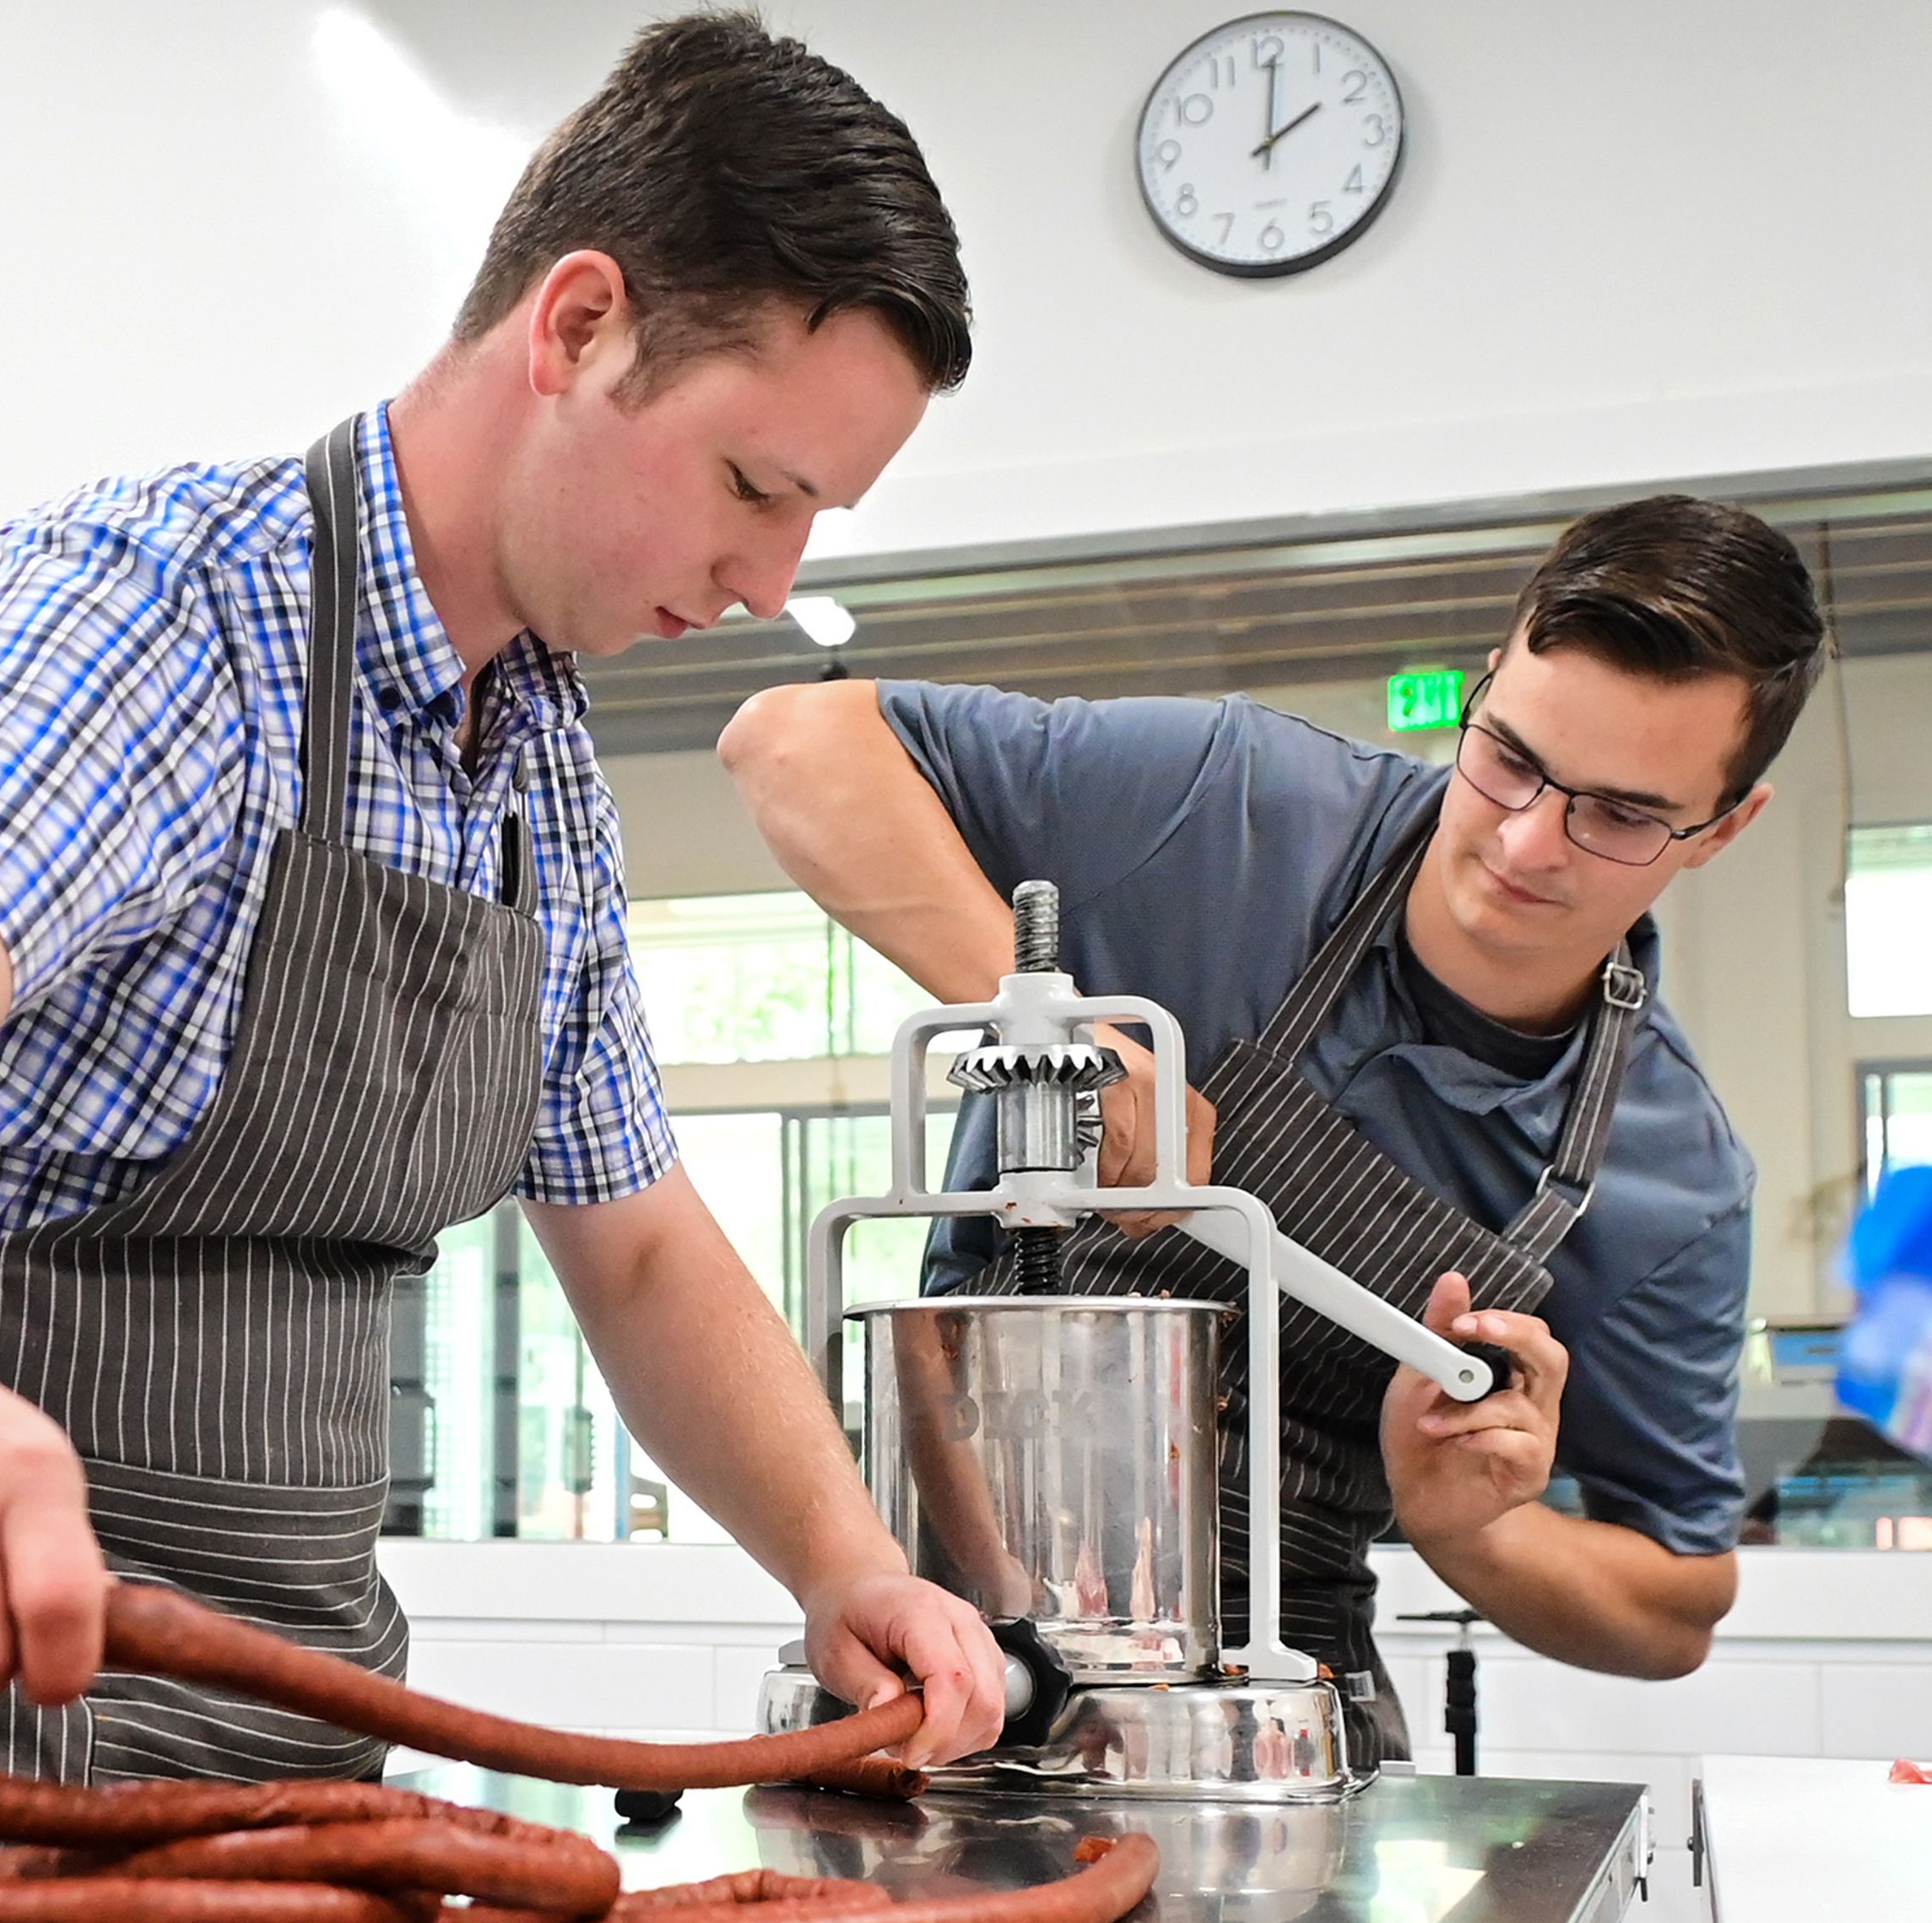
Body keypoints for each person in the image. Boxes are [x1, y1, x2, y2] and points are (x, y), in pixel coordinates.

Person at [0, 11, 1011, 1862]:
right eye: (753, 489)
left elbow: (633, 1245)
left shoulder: (541, 771)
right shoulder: (154, 612)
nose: (770, 586)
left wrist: (846, 1559)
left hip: (294, 1716)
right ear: (577, 325)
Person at [720, 496, 1829, 1766]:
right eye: (1510, 758)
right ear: (1478, 691)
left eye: (1624, 815)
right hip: (930, 1655)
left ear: (1725, 826)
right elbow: (791, 741)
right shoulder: (1236, 813)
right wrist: (1078, 1036)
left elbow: (1678, 1605)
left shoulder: (1670, 1179)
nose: (1527, 842)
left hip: (1283, 1734)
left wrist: (1478, 1530)